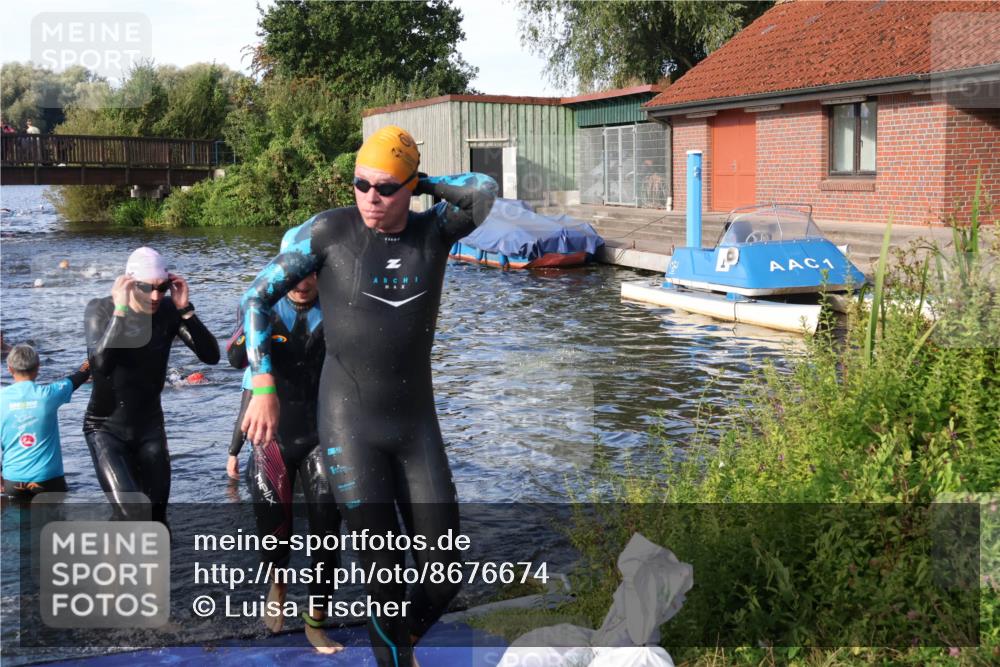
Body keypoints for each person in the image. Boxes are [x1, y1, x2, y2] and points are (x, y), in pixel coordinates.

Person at [239, 125, 497, 667]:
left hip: (415, 423)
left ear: (410, 187)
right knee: (386, 572)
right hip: (349, 422)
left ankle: (401, 639)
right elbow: (256, 298)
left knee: (445, 570)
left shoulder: (434, 231)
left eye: (385, 188)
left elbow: (482, 191)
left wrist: (425, 181)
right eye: (360, 185)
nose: (371, 199)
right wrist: (262, 382)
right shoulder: (330, 232)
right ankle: (394, 655)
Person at [227, 229, 342, 653]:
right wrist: (252, 313)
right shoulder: (263, 306)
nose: (302, 282)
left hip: (322, 434)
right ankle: (277, 587)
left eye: (309, 272)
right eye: (292, 272)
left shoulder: (336, 306)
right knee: (274, 532)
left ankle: (316, 621)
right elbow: (235, 357)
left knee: (327, 532)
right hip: (273, 437)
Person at [83, 247, 219, 524]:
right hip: (106, 428)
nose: (156, 296)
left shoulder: (168, 311)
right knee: (132, 512)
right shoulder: (101, 310)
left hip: (149, 428)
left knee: (156, 517)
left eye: (163, 288)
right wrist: (121, 311)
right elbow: (100, 365)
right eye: (147, 288)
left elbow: (211, 356)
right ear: (130, 284)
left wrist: (186, 310)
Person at [1, 345, 90, 496]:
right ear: (38, 367)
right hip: (49, 481)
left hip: (14, 482)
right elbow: (79, 376)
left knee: (15, 518)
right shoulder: (49, 395)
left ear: (10, 369)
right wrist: (93, 358)